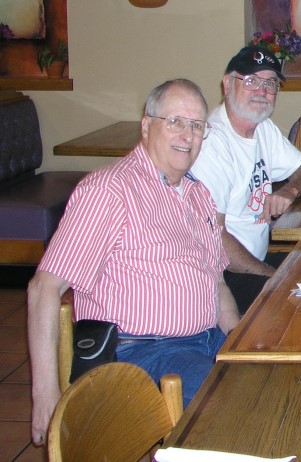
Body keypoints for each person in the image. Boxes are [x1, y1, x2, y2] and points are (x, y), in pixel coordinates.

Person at [27, 79, 239, 446]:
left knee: (275, 385)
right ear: (146, 126)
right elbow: (44, 288)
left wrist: (238, 341)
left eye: (197, 125)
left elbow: (216, 282)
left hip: (206, 340)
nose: (187, 135)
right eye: (174, 121)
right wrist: (45, 397)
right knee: (231, 414)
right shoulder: (109, 192)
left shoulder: (196, 193)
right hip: (141, 351)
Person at [191, 45, 301, 314]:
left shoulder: (263, 129)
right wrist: (272, 276)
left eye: (270, 83)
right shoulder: (212, 144)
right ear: (227, 84)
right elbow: (214, 239)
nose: (262, 91)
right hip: (223, 276)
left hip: (257, 258)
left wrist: (290, 190)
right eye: (251, 81)